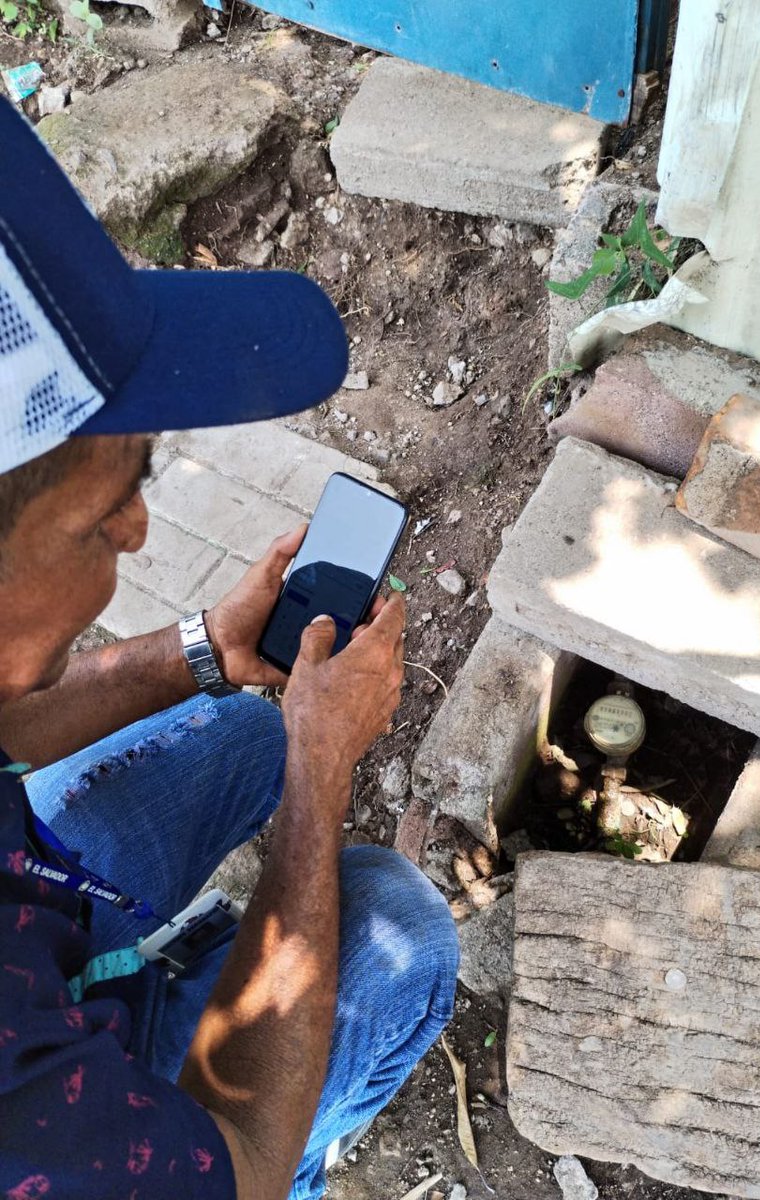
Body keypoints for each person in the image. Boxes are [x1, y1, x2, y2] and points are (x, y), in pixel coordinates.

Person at [0, 98, 459, 1198]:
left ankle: (143, 963)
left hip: (35, 932)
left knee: (238, 725)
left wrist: (202, 649)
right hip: (95, 1117)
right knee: (396, 928)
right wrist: (322, 772)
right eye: (106, 513)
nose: (140, 531)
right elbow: (235, 1169)